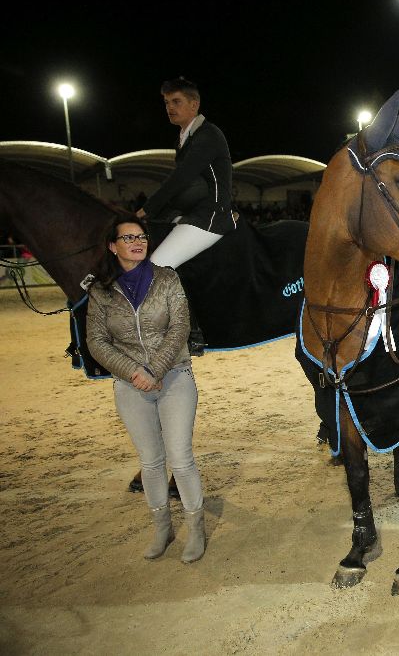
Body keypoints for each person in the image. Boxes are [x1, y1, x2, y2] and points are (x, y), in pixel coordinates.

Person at [86, 214, 206, 563]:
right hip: (129, 385)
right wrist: (133, 371)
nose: (137, 242)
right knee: (151, 462)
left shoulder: (167, 279)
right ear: (112, 246)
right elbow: (96, 341)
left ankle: (195, 528)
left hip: (175, 377)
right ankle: (162, 528)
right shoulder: (100, 291)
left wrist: (154, 368)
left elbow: (180, 326)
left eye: (141, 236)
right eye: (128, 238)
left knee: (181, 458)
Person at [139, 77, 236, 269]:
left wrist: (146, 209)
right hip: (192, 213)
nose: (169, 108)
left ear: (194, 105)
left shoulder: (209, 135)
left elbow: (181, 178)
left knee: (155, 267)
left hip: (211, 216)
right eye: (167, 103)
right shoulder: (183, 139)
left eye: (176, 101)